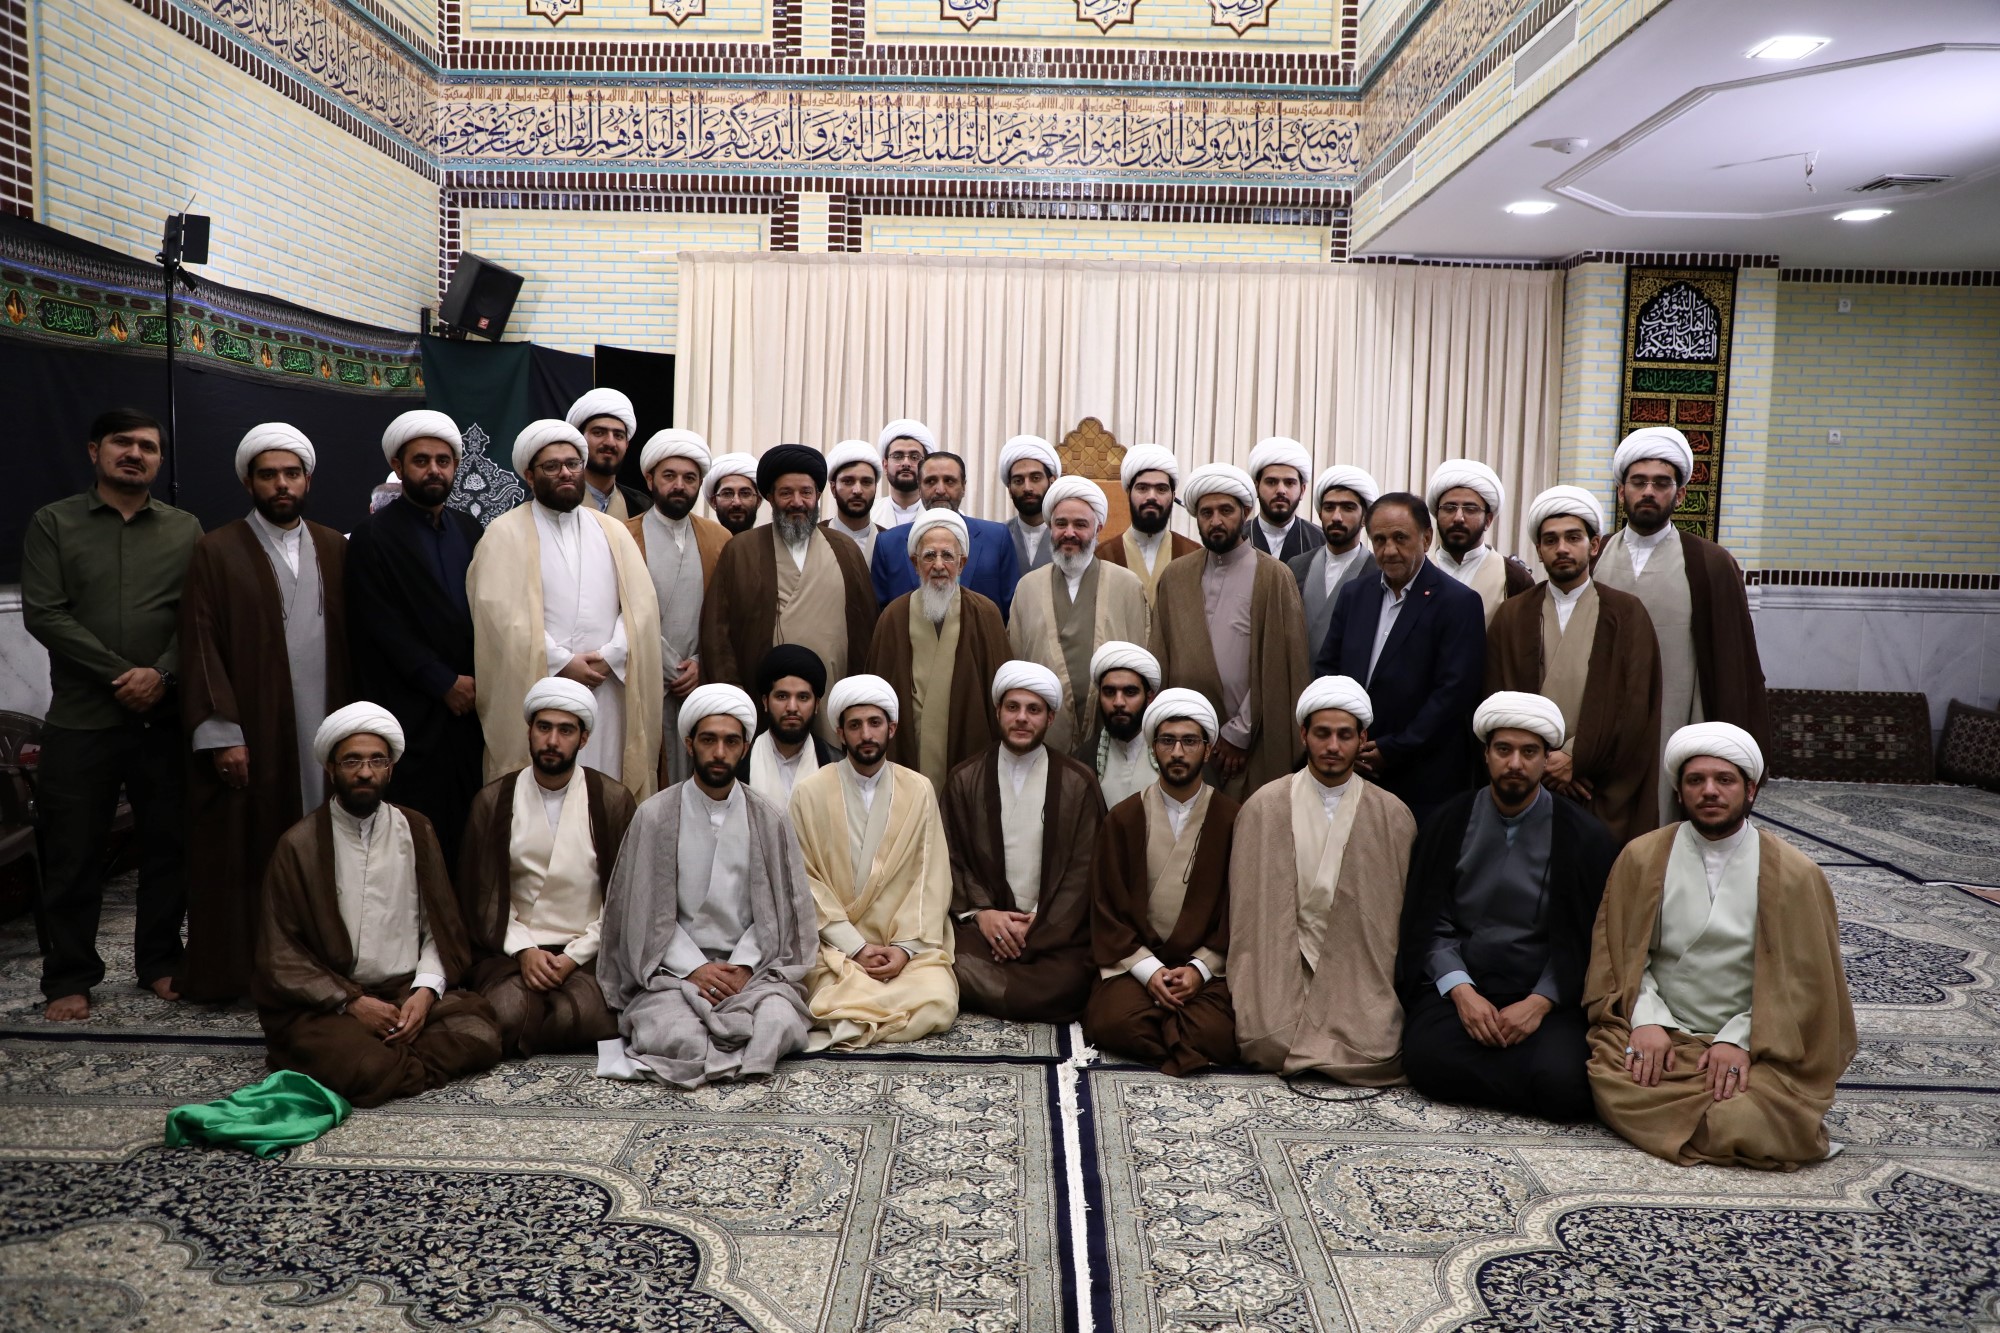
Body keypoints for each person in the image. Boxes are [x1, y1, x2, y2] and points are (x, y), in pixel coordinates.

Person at [1587, 723, 1855, 1170]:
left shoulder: (1796, 874)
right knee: (1608, 1077)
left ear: (1750, 790)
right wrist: (1647, 1021)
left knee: (1757, 1119)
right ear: (1680, 792)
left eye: (1724, 780)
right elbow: (1619, 958)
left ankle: (1709, 1116)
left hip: (1763, 1040)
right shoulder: (1642, 856)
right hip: (1662, 1030)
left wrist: (1739, 1040)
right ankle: (1704, 1116)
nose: (1709, 791)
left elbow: (1806, 987)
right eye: (1696, 780)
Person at [22, 408, 201, 1020]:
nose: (134, 454)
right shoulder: (54, 523)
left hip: (162, 719)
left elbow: (197, 615)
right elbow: (45, 614)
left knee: (168, 848)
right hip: (81, 720)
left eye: (147, 446)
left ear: (159, 459)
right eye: (122, 443)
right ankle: (69, 976)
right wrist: (122, 675)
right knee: (72, 853)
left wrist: (163, 675)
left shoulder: (184, 529)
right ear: (94, 450)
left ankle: (161, 961)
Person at [254, 704, 502, 1107]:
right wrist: (352, 1002)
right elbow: (281, 953)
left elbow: (439, 929)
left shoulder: (416, 829)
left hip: (402, 991)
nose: (365, 772)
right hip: (328, 1003)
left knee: (481, 1033)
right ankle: (384, 1061)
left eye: (376, 761)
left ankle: (387, 1062)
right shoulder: (299, 845)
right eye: (352, 761)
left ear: (391, 768)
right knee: (365, 1066)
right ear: (331, 769)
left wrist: (425, 991)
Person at [179, 423, 351, 1004]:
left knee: (329, 845)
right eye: (269, 474)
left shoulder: (334, 546)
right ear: (248, 482)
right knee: (248, 849)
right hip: (254, 726)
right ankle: (252, 971)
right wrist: (222, 733)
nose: (282, 484)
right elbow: (200, 642)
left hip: (325, 724)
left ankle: (327, 962)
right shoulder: (216, 549)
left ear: (308, 479)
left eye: (291, 473)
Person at [1396, 692, 1618, 1121]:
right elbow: (1429, 923)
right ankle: (1518, 1073)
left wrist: (1539, 1002)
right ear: (1486, 755)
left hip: (1545, 993)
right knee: (1425, 1060)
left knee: (1566, 1084)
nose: (1515, 763)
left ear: (1547, 758)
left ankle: (1508, 1069)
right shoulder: (1448, 822)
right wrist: (1462, 992)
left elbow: (1588, 938)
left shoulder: (1584, 837)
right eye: (1504, 750)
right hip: (1464, 988)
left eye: (1529, 752)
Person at [596, 684, 819, 1088]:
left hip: (753, 974)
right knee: (678, 1035)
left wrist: (744, 966)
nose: (719, 752)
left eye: (731, 742)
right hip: (673, 976)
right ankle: (718, 1053)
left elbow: (782, 914)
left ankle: (740, 1052)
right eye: (708, 740)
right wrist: (695, 968)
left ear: (745, 748)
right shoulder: (654, 815)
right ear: (689, 743)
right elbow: (642, 914)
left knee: (777, 1021)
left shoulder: (770, 817)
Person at [1228, 676, 1416, 1084]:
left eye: (1344, 735)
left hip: (1355, 972)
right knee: (1267, 1039)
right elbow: (1247, 921)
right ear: (1304, 735)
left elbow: (1389, 925)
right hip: (1281, 965)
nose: (1333, 746)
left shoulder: (1392, 816)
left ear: (1362, 738)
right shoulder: (1263, 807)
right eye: (1322, 734)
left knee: (1374, 1044)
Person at [467, 420, 661, 796]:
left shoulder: (612, 530)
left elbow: (641, 607)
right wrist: (560, 662)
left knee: (605, 790)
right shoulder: (503, 533)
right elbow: (499, 619)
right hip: (539, 684)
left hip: (609, 687)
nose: (565, 473)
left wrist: (612, 655)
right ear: (529, 475)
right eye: (552, 466)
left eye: (572, 464)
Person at [1594, 426, 1769, 824]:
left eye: (1661, 483)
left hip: (1676, 721)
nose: (1649, 492)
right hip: (1603, 724)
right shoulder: (1595, 555)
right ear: (1621, 492)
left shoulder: (1709, 563)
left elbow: (1735, 665)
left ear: (1680, 494)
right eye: (1638, 482)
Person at [455, 678, 634, 1057]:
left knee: (586, 1014)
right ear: (529, 731)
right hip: (511, 951)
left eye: (565, 730)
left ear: (583, 738)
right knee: (507, 1012)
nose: (552, 741)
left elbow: (624, 897)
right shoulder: (493, 801)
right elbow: (480, 897)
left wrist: (573, 956)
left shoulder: (612, 800)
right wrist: (524, 951)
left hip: (589, 953)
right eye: (544, 728)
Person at [345, 410, 485, 871]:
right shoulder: (372, 536)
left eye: (443, 461)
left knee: (469, 833)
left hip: (471, 712)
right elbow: (380, 624)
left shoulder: (471, 530)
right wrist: (444, 683)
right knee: (416, 835)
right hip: (412, 711)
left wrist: (476, 681)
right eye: (421, 461)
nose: (434, 470)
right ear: (398, 466)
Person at [790, 675, 958, 1051]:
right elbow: (805, 881)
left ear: (891, 728)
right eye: (855, 725)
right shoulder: (808, 793)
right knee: (825, 997)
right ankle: (877, 1015)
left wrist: (903, 949)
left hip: (906, 943)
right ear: (840, 732)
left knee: (939, 1002)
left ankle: (861, 1019)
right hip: (837, 947)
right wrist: (856, 947)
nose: (866, 734)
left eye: (874, 723)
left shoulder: (919, 789)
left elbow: (930, 878)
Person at [1487, 486, 1663, 846]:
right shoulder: (1512, 614)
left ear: (1593, 545)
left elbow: (1635, 706)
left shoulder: (1626, 613)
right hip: (1527, 776)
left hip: (1596, 783)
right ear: (1539, 550)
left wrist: (1576, 758)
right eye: (1550, 540)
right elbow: (1496, 694)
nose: (1562, 548)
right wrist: (1540, 762)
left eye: (1573, 537)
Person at [1082, 689, 1240, 1075]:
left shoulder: (1233, 819)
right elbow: (1106, 908)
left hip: (1205, 967)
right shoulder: (1124, 818)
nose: (1178, 752)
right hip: (1136, 964)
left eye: (1190, 741)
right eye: (1168, 741)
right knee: (1111, 1022)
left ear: (1208, 749)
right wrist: (1150, 970)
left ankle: (1171, 1026)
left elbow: (1242, 910)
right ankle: (1181, 1034)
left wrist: (1199, 970)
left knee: (1220, 1031)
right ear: (1154, 748)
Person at [943, 662, 1106, 1023]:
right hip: (983, 932)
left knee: (1072, 979)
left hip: (1055, 933)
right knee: (951, 961)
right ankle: (1009, 989)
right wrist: (984, 915)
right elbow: (952, 859)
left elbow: (1086, 868)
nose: (1021, 718)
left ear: (1050, 718)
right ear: (998, 711)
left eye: (1033, 710)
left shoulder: (1078, 782)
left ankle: (998, 991)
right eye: (1013, 707)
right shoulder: (964, 779)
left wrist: (1037, 921)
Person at [1315, 492, 1486, 823]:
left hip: (1422, 774)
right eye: (1379, 540)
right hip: (1352, 766)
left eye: (1400, 538)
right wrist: (1345, 737)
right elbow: (1328, 670)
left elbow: (1454, 693)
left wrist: (1394, 748)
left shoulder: (1458, 602)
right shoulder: (1355, 594)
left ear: (1426, 538)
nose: (1389, 550)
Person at [1148, 463, 1310, 798]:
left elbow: (1280, 665)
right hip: (1184, 739)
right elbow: (1160, 657)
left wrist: (1239, 733)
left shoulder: (1274, 576)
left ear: (1246, 512)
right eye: (1206, 513)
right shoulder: (1175, 576)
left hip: (1252, 741)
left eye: (1226, 511)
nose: (1216, 521)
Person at [699, 444, 877, 719]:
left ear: (818, 495)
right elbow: (717, 633)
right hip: (759, 699)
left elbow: (866, 630)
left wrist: (858, 699)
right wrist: (732, 695)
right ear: (769, 497)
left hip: (834, 697)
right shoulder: (741, 550)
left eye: (806, 492)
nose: (797, 502)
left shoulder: (845, 549)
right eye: (786, 493)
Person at [867, 509, 1009, 792]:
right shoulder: (893, 616)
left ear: (962, 563)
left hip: (968, 752)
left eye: (948, 556)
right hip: (907, 756)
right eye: (929, 556)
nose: (939, 565)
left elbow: (1000, 697)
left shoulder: (986, 614)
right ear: (915, 563)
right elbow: (875, 697)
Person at [1007, 475, 1150, 755]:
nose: (1069, 533)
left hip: (1111, 731)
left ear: (1098, 529)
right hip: (1042, 734)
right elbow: (1016, 660)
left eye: (1080, 525)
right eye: (1061, 524)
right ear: (1050, 528)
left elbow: (1140, 662)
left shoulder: (1127, 585)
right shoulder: (1027, 587)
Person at [624, 428, 730, 786]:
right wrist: (664, 664)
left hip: (700, 680)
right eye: (669, 476)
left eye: (689, 478)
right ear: (649, 479)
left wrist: (702, 662)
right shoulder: (623, 535)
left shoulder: (718, 538)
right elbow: (618, 610)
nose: (679, 486)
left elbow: (725, 614)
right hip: (643, 678)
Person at [870, 451, 1022, 619]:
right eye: (930, 481)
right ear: (919, 488)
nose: (940, 490)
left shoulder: (996, 538)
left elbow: (1011, 612)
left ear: (963, 487)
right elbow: (881, 617)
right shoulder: (888, 544)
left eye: (949, 481)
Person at [1425, 459, 1534, 624]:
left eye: (1470, 509)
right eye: (1449, 508)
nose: (1458, 518)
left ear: (1488, 520)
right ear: (1437, 514)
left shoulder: (1514, 578)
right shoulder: (1416, 569)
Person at [1289, 465, 1379, 656]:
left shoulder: (1379, 573)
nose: (1336, 517)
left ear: (1365, 518)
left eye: (1348, 508)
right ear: (1320, 514)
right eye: (1329, 508)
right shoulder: (1297, 566)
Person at [1097, 444, 1197, 606]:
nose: (1151, 497)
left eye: (1161, 489)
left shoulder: (1193, 554)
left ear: (1173, 496)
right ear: (1128, 493)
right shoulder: (1102, 556)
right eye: (1142, 488)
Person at [738, 644, 837, 801]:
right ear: (765, 702)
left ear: (817, 705)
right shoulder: (740, 762)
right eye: (782, 696)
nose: (792, 707)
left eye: (803, 697)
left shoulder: (835, 763)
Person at [1088, 641, 1160, 808]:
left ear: (1149, 698)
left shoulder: (1174, 752)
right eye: (1109, 692)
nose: (1118, 702)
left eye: (1130, 692)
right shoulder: (1084, 759)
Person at [567, 387, 651, 519]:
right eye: (599, 433)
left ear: (626, 445)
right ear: (579, 440)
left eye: (618, 435)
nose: (610, 443)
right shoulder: (555, 499)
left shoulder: (641, 506)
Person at [1245, 436, 1324, 562]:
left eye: (1289, 483)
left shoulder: (1322, 541)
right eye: (1271, 482)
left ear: (1302, 490)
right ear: (1256, 488)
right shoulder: (1236, 539)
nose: (1281, 490)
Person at [999, 433, 1061, 581]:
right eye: (1018, 480)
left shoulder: (1068, 535)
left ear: (1052, 482)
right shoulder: (998, 537)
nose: (1027, 488)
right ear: (1009, 489)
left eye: (1035, 478)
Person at [822, 438, 884, 561]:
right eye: (848, 481)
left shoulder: (890, 541)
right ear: (833, 488)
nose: (857, 490)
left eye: (866, 482)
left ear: (875, 488)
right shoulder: (815, 538)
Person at [871, 418, 934, 530]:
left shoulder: (944, 515)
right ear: (885, 465)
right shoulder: (870, 514)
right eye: (897, 456)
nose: (906, 463)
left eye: (914, 457)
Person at [705, 453, 762, 535]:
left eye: (745, 493)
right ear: (714, 502)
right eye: (727, 494)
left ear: (758, 501)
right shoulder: (700, 542)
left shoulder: (770, 542)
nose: (737, 503)